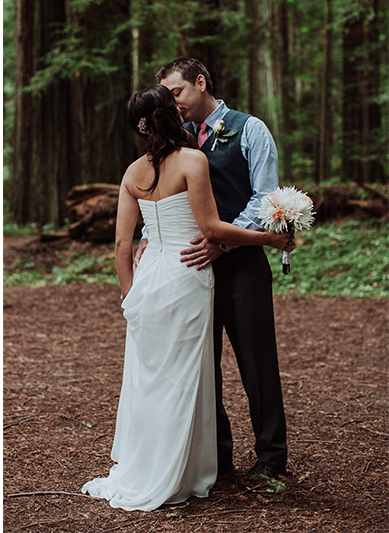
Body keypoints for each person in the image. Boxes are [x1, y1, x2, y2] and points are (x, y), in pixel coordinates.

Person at [81, 84, 295, 511]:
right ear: (169, 115)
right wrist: (269, 239)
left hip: (149, 282)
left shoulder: (130, 172)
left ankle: (162, 463)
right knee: (188, 376)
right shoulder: (192, 160)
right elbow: (212, 230)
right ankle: (189, 467)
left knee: (156, 378)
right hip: (188, 275)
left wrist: (129, 299)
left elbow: (123, 245)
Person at [140, 58, 291, 480]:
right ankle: (216, 459)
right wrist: (150, 238)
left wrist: (221, 242)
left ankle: (270, 460)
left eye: (177, 93)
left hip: (241, 267)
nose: (173, 104)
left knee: (256, 363)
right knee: (201, 367)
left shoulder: (250, 129)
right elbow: (160, 194)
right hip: (188, 272)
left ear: (201, 82)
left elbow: (265, 199)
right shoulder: (176, 139)